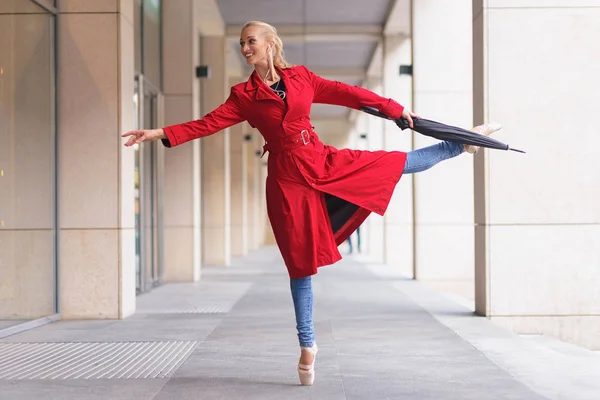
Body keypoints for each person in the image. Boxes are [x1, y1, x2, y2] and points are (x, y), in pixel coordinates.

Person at [122, 20, 501, 386]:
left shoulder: (302, 77)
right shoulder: (243, 96)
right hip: (287, 184)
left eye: (251, 41)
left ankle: (459, 144)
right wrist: (159, 132)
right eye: (241, 43)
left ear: (270, 44)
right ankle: (307, 345)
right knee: (300, 265)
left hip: (322, 160)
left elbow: (349, 94)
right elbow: (208, 123)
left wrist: (394, 108)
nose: (245, 47)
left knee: (392, 164)